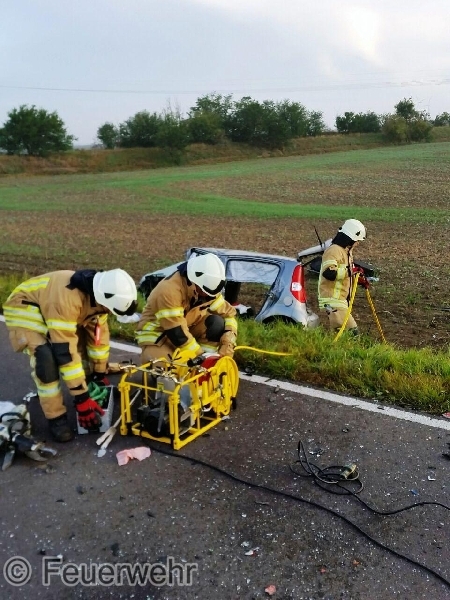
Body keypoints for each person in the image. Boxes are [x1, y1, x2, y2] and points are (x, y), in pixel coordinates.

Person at [2, 268, 137, 442]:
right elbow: (65, 352)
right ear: (105, 300)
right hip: (24, 308)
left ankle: (88, 382)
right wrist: (82, 399)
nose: (110, 314)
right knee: (46, 360)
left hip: (52, 307)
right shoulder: (66, 301)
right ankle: (56, 418)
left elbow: (98, 341)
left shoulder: (100, 299)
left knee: (82, 344)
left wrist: (99, 373)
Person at [136, 253, 238, 364]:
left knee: (216, 323)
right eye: (204, 292)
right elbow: (177, 333)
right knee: (171, 370)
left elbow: (229, 314)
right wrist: (201, 357)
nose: (207, 296)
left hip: (185, 331)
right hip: (158, 336)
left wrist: (228, 342)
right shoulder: (169, 291)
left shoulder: (207, 289)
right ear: (193, 280)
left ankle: (204, 366)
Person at [318, 219, 368, 334]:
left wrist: (358, 279)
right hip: (332, 301)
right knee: (352, 333)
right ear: (351, 238)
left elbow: (345, 273)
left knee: (339, 335)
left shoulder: (346, 253)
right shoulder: (334, 251)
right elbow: (329, 273)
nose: (358, 243)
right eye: (357, 240)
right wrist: (351, 271)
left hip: (340, 301)